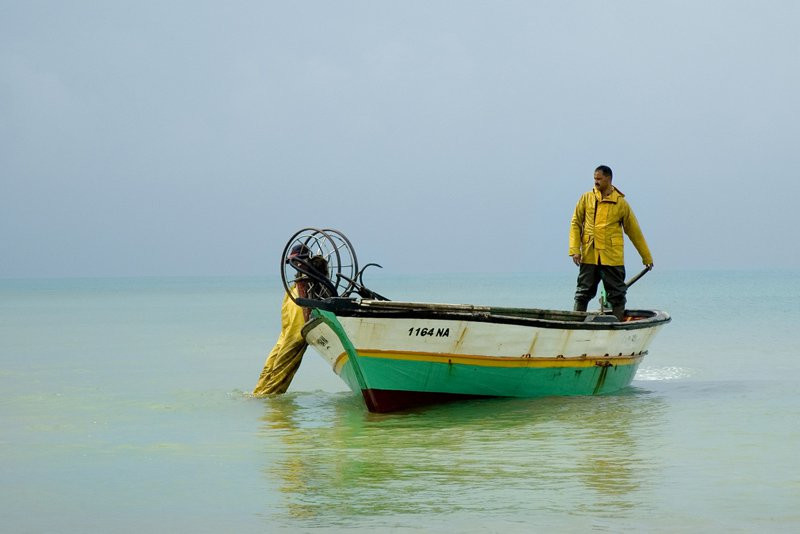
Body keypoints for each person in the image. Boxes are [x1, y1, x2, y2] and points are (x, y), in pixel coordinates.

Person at [568, 165, 653, 320]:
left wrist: (646, 257)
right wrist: (574, 249)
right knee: (582, 293)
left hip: (612, 257)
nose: (596, 182)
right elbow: (576, 224)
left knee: (617, 295)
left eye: (599, 179)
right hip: (589, 255)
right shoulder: (586, 198)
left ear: (608, 179)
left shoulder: (620, 203)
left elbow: (634, 231)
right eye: (594, 179)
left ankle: (617, 325)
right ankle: (576, 324)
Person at [252, 247, 330, 396]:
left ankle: (270, 396)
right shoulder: (296, 285)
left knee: (282, 366)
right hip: (286, 331)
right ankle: (258, 394)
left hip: (297, 331)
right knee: (269, 364)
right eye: (293, 262)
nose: (296, 264)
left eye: (297, 261)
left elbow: (323, 295)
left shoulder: (313, 280)